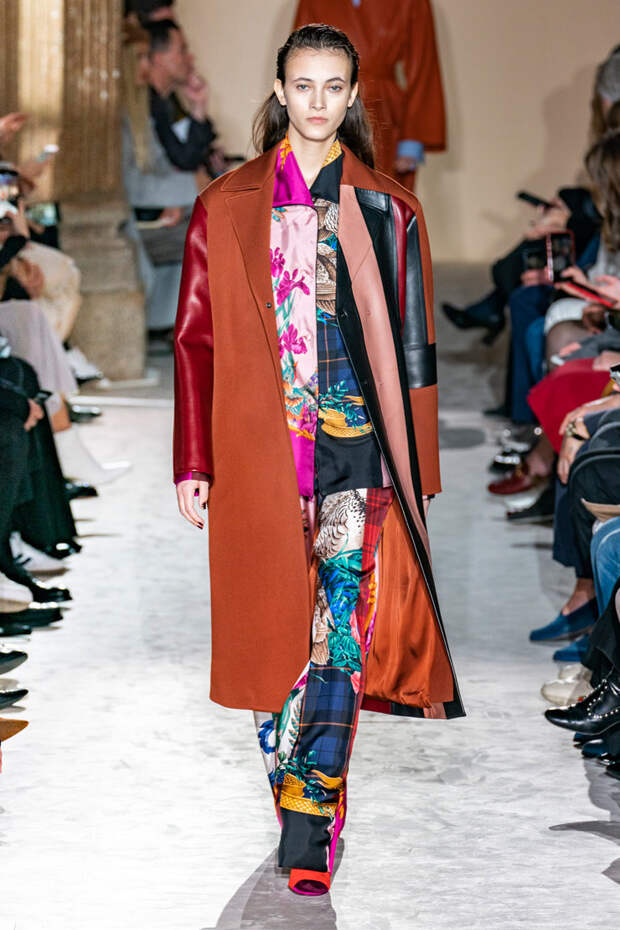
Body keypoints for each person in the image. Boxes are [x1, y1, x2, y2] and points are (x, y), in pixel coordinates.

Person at [173, 24, 463, 896]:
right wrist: (194, 460)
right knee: (271, 638)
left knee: (339, 635)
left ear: (352, 95)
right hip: (258, 453)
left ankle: (309, 823)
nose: (317, 102)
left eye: (334, 87)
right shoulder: (225, 204)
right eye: (303, 86)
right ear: (280, 90)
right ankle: (296, 793)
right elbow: (196, 342)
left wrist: (420, 472)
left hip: (356, 453)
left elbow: (415, 349)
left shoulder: (389, 208)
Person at [293, 0, 446, 190]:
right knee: (323, 196)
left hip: (385, 116)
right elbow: (297, 62)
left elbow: (423, 67)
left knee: (381, 197)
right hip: (327, 106)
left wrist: (412, 139)